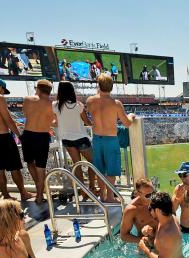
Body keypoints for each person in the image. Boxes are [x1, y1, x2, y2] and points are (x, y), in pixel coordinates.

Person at [0, 77, 33, 201]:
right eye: (3, 90)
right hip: (2, 135)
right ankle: (23, 193)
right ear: (0, 87)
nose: (3, 93)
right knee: (14, 167)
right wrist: (20, 135)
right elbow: (7, 119)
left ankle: (6, 195)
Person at [86, 74, 135, 203]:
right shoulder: (116, 104)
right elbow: (127, 123)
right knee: (112, 169)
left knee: (99, 169)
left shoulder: (90, 101)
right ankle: (109, 197)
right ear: (112, 87)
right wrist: (130, 115)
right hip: (111, 139)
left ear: (98, 86)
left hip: (97, 139)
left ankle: (102, 196)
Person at [52, 81, 96, 196]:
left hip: (66, 139)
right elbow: (87, 122)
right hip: (80, 137)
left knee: (77, 164)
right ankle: (91, 187)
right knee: (93, 161)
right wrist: (93, 123)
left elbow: (56, 121)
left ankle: (83, 190)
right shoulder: (78, 105)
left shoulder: (55, 105)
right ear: (72, 91)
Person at [22, 79, 55, 203]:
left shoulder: (27, 99)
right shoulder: (51, 104)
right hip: (42, 136)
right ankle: (40, 195)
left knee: (30, 163)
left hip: (28, 134)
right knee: (41, 167)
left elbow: (26, 114)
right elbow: (53, 120)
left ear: (38, 88)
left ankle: (39, 188)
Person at [138, 192, 187, 258]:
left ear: (157, 210)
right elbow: (164, 244)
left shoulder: (167, 234)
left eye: (150, 208)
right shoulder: (171, 218)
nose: (149, 211)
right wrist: (151, 234)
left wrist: (144, 249)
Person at [120, 178, 158, 245]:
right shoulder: (132, 209)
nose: (152, 197)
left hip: (163, 240)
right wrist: (142, 240)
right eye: (148, 195)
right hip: (147, 244)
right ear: (138, 193)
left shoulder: (159, 201)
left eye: (154, 193)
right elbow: (124, 236)